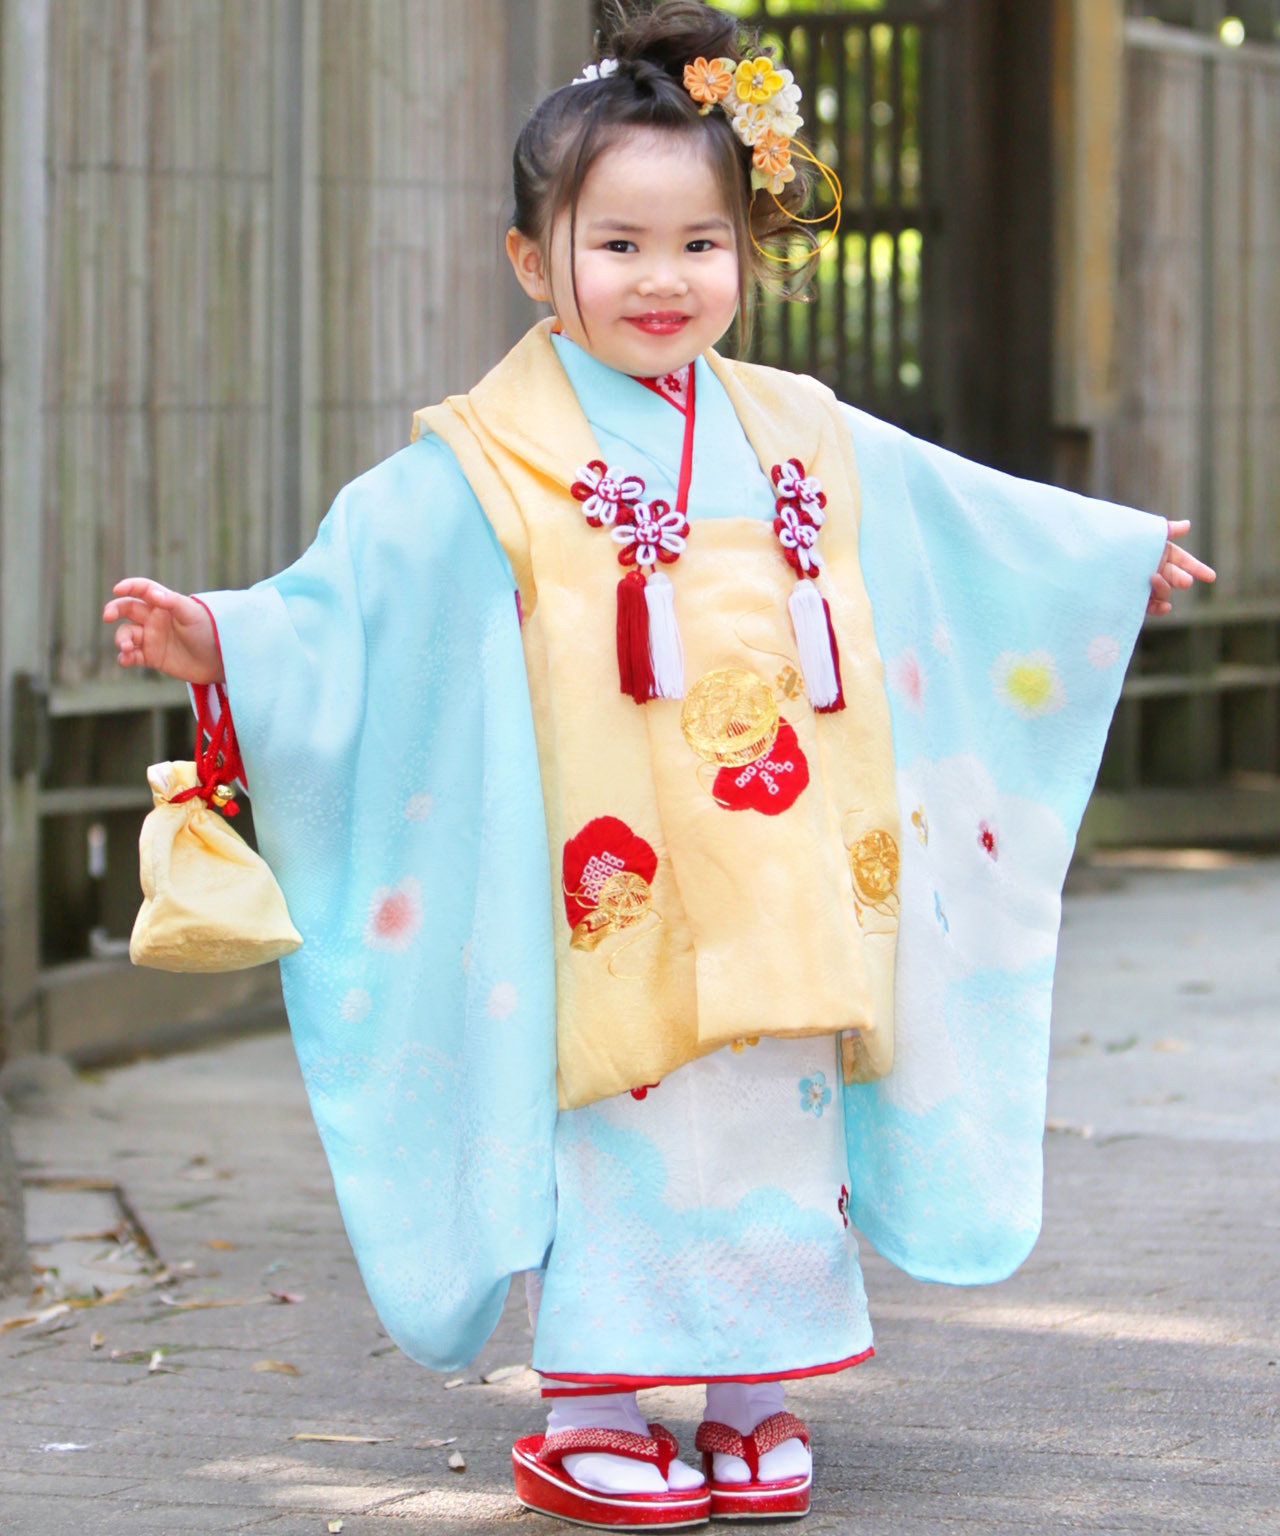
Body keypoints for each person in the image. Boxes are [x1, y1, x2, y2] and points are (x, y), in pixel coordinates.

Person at [102, 3, 1213, 1526]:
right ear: (530, 260)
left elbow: (963, 520)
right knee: (620, 1115)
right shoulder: (483, 459)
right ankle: (598, 1400)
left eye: (700, 242)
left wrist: (1102, 563)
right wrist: (224, 637)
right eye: (617, 243)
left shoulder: (801, 430)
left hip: (781, 867)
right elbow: (357, 601)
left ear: (748, 251)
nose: (662, 277)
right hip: (601, 883)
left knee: (776, 1102)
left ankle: (758, 1391)